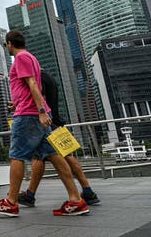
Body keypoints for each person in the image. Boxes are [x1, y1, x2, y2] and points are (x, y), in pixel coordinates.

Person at [0, 30, 89, 217]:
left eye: (6, 44)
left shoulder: (21, 58)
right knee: (54, 155)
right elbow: (32, 86)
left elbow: (33, 84)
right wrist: (17, 102)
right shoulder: (31, 58)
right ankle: (76, 199)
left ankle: (11, 202)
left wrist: (40, 111)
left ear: (9, 43)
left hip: (28, 115)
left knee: (16, 155)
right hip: (33, 111)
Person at [18, 70, 100, 207]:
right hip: (56, 120)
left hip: (43, 121)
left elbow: (38, 97)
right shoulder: (49, 76)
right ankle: (88, 190)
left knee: (40, 157)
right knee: (67, 154)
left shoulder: (36, 78)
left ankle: (30, 195)